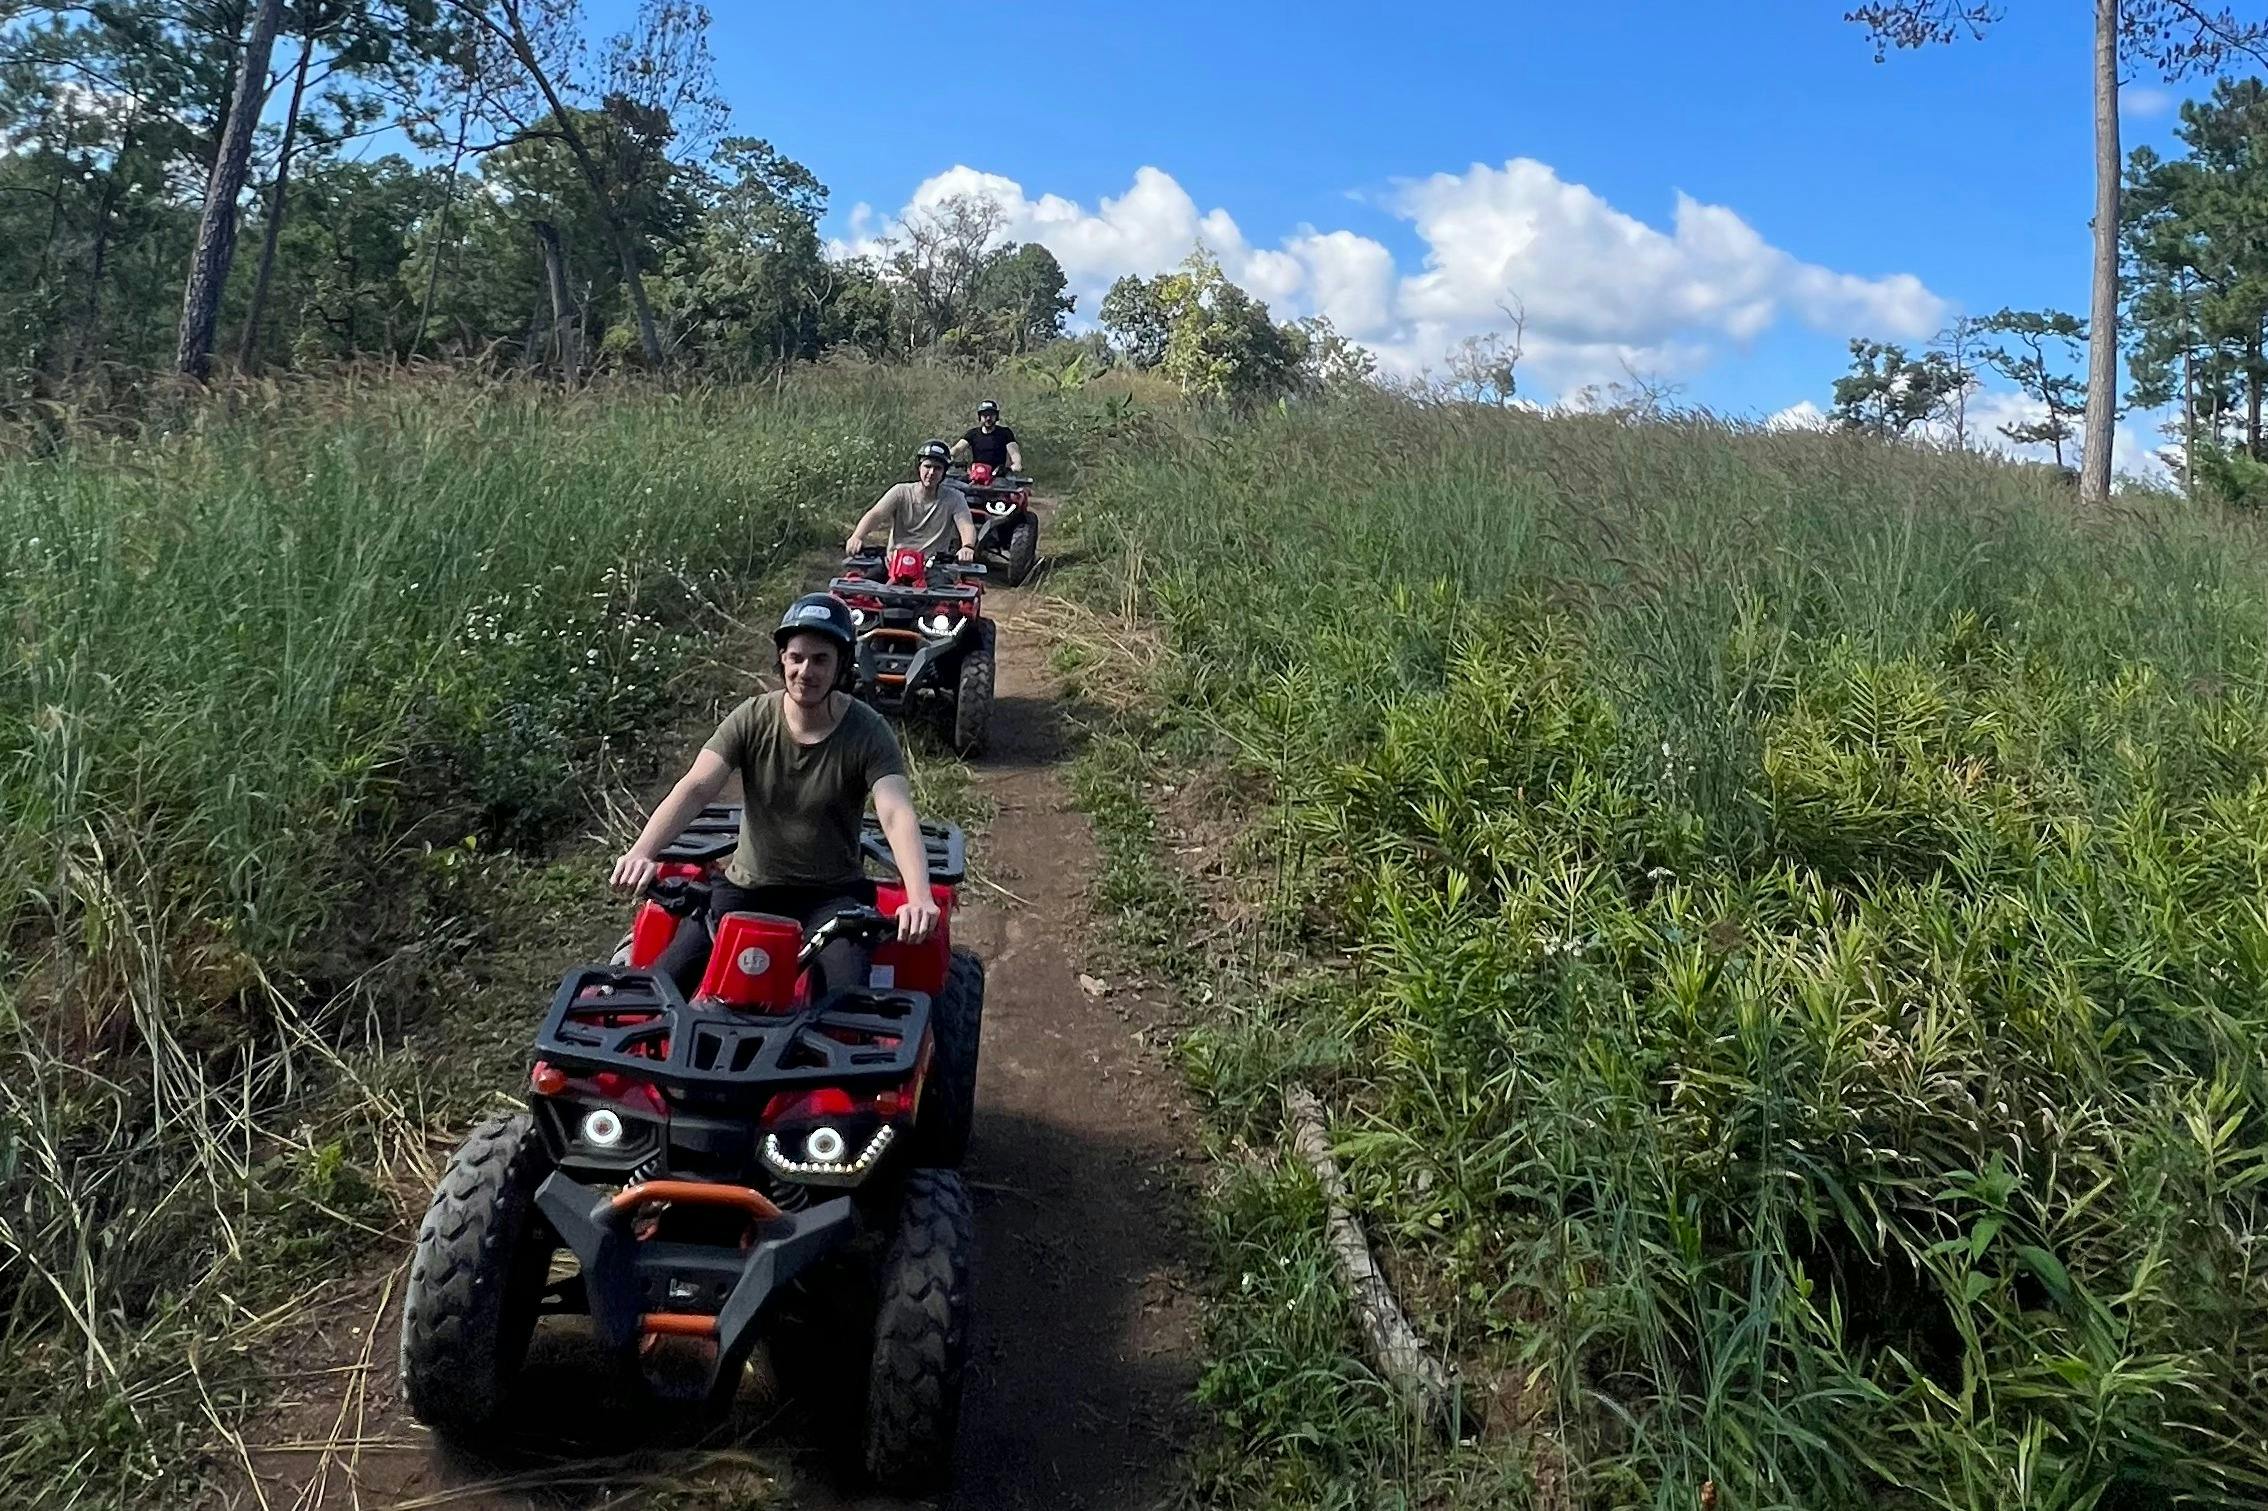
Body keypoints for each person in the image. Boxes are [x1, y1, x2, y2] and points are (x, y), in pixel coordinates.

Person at [610, 593, 941, 995]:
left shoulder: (868, 731)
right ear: (782, 659)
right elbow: (696, 788)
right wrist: (643, 851)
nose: (806, 671)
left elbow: (895, 813)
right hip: (748, 887)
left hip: (832, 897)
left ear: (840, 666)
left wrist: (919, 895)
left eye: (821, 659)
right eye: (796, 657)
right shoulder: (752, 717)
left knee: (845, 999)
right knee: (666, 980)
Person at [847, 440, 977, 562]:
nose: (931, 472)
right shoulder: (900, 492)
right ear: (919, 468)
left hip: (933, 565)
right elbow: (876, 514)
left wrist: (968, 547)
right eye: (927, 466)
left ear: (944, 472)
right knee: (862, 582)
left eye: (937, 468)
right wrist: (857, 537)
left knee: (945, 585)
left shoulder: (955, 498)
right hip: (895, 561)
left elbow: (966, 525)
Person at [951, 400, 1023, 474]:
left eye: (991, 415)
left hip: (999, 476)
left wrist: (1016, 464)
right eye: (985, 415)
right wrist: (948, 457)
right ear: (980, 417)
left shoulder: (1005, 433)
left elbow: (1014, 452)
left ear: (996, 416)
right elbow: (958, 448)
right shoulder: (972, 434)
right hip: (976, 474)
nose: (988, 418)